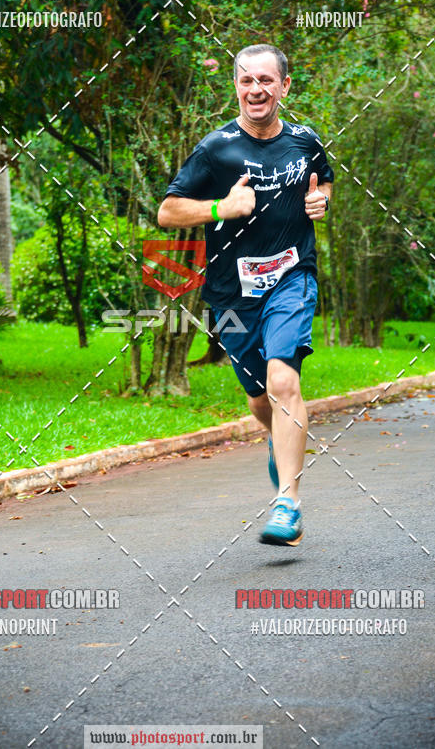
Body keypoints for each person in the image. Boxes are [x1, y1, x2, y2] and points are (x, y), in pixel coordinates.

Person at [157, 44, 334, 546]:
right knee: (259, 399)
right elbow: (168, 212)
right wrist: (222, 208)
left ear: (284, 86)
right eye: (246, 81)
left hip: (292, 277)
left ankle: (288, 504)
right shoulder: (215, 149)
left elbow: (323, 188)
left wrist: (320, 202)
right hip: (232, 297)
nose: (256, 89)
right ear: (236, 87)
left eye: (265, 80)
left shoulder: (305, 141)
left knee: (283, 380)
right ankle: (280, 442)